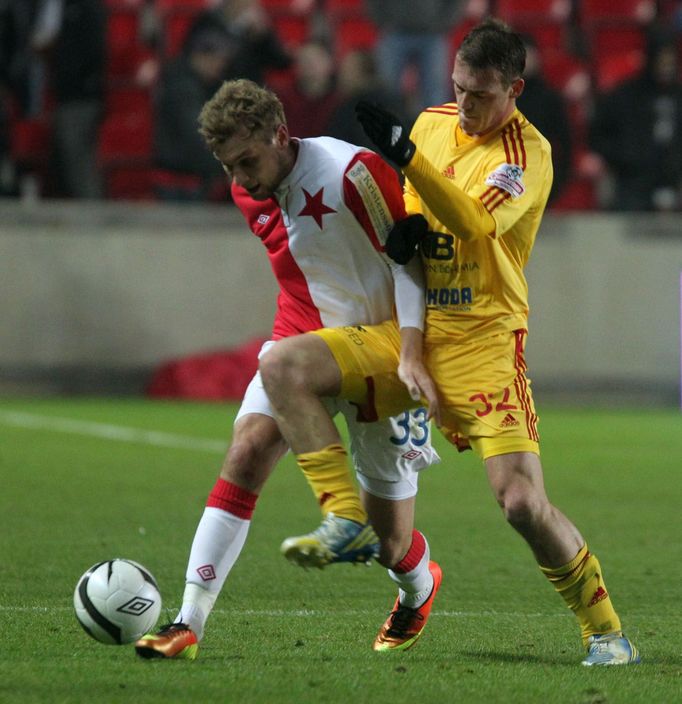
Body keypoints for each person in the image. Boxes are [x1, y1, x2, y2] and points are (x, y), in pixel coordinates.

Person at [259, 18, 640, 665]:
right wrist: (401, 227)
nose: (465, 104)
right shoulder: (433, 123)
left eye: (481, 94)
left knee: (521, 503)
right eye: (459, 88)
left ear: (514, 89)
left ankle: (605, 630)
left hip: (482, 343)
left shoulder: (527, 155)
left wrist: (406, 159)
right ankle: (346, 518)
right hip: (406, 327)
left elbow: (467, 223)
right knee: (283, 364)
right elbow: (412, 208)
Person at [134, 78, 440, 659]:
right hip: (302, 344)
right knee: (247, 449)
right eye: (228, 167)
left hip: (381, 346)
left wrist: (408, 350)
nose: (241, 179)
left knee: (391, 541)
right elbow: (301, 270)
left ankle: (418, 587)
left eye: (247, 161)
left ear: (280, 133)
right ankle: (187, 621)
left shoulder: (354, 174)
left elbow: (410, 261)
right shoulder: (248, 189)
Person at [589, 27, 682, 211]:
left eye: (669, 63)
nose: (666, 68)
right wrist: (624, 157)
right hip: (633, 182)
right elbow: (596, 135)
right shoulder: (624, 96)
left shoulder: (679, 96)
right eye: (662, 62)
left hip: (676, 181)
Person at [153, 28, 232, 200]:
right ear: (200, 56)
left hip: (186, 176)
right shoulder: (183, 87)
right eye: (217, 61)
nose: (219, 68)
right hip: (180, 180)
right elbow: (197, 134)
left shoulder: (193, 83)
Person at [363, 0, 467, 119]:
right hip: (394, 32)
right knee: (385, 89)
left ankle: (435, 132)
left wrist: (445, 23)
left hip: (433, 34)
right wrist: (381, 21)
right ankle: (382, 132)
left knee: (435, 91)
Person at [516, 33, 572, 205]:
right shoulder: (498, 99)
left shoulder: (550, 98)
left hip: (542, 176)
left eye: (528, 54)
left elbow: (565, 142)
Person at [277, 39, 340, 138]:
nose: (309, 65)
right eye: (304, 60)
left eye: (316, 60)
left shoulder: (341, 102)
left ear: (330, 64)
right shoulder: (282, 100)